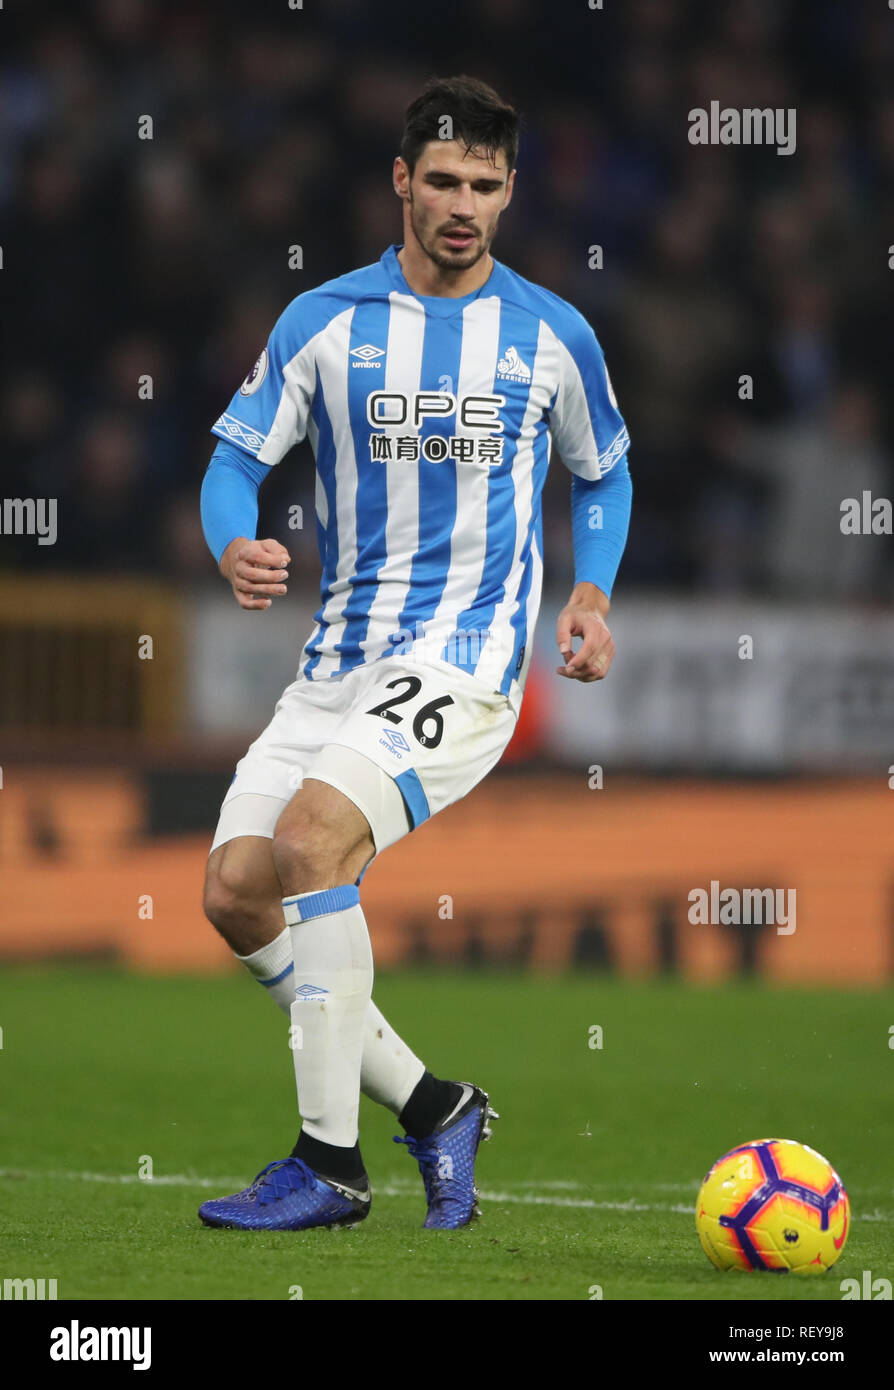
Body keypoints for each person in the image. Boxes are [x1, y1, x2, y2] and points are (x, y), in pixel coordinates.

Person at [197, 75, 632, 1232]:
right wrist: (233, 540)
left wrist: (589, 591)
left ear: (509, 192)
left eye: (485, 185)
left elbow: (604, 470)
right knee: (238, 892)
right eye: (442, 179)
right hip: (340, 660)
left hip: (468, 662)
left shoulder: (552, 334)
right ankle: (437, 1105)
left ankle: (329, 1165)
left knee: (307, 846)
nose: (463, 204)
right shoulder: (324, 322)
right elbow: (236, 459)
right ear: (402, 180)